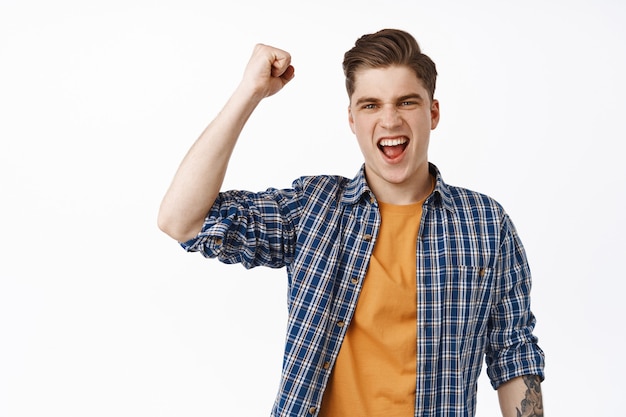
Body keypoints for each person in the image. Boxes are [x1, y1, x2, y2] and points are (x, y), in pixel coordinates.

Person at [158, 28, 545, 417]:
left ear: (433, 113)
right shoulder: (313, 210)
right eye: (371, 105)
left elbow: (513, 355)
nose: (390, 120)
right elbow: (183, 221)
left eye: (406, 102)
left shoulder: (485, 225)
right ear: (352, 119)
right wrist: (249, 92)